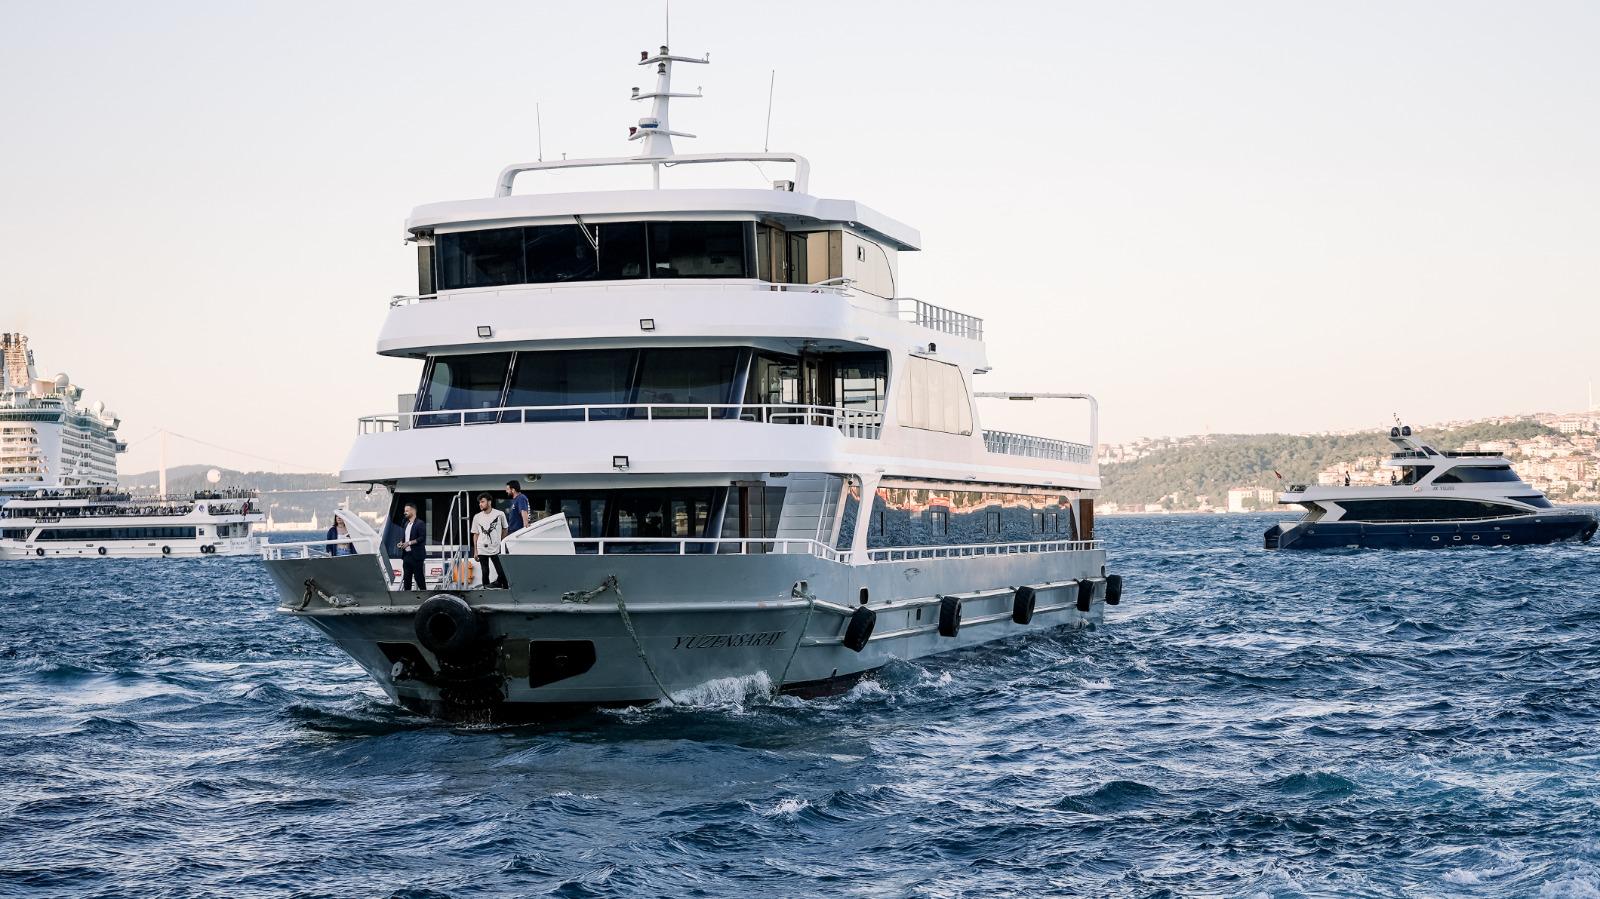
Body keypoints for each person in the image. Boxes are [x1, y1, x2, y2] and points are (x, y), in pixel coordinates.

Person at [471, 493, 510, 589]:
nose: (480, 504)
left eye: (482, 502)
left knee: (501, 571)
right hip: (482, 548)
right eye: (479, 502)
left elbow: (505, 529)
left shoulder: (500, 514)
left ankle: (505, 590)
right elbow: (475, 534)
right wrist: (475, 551)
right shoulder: (477, 517)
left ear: (489, 502)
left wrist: (501, 542)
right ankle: (485, 591)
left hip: (496, 548)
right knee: (485, 572)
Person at [395, 503, 427, 590]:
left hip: (416, 556)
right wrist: (401, 543)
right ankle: (407, 598)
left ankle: (424, 595)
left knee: (419, 578)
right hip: (407, 556)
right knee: (407, 579)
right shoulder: (406, 524)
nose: (405, 513)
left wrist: (409, 543)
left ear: (413, 511)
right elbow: (405, 538)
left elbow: (422, 538)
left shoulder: (420, 523)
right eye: (404, 511)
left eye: (407, 511)